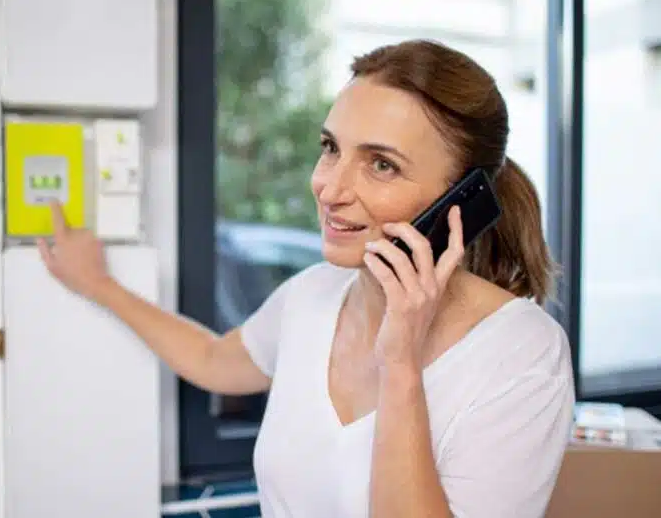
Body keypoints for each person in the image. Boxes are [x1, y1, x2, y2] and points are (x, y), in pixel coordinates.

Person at [39, 39, 575, 518]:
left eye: (381, 164)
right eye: (331, 148)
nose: (329, 187)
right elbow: (212, 361)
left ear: (462, 200)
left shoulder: (523, 355)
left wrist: (401, 362)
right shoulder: (313, 294)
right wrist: (100, 285)